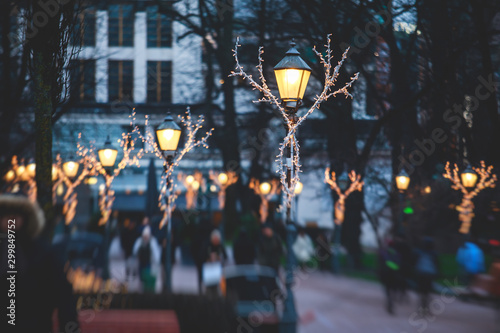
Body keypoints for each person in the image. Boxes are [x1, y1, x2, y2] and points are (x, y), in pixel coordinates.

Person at [0, 195, 79, 332]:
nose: (10, 221)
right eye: (7, 216)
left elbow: (64, 297)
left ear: (25, 218)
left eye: (15, 216)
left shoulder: (42, 252)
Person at [414, 237, 439, 316]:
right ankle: (426, 308)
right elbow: (436, 264)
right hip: (430, 274)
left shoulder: (419, 252)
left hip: (421, 274)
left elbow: (415, 262)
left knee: (422, 293)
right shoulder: (434, 254)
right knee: (427, 293)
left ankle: (422, 308)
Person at [133, 225, 161, 293]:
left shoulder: (152, 241)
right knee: (140, 276)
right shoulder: (139, 241)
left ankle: (147, 289)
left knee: (147, 275)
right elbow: (135, 250)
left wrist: (157, 261)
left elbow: (155, 252)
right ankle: (140, 288)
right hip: (141, 262)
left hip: (148, 262)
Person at [378, 239, 403, 314]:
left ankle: (389, 302)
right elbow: (400, 264)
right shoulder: (397, 253)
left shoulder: (384, 252)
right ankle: (392, 301)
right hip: (395, 273)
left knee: (387, 289)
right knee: (393, 289)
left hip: (386, 273)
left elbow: (381, 262)